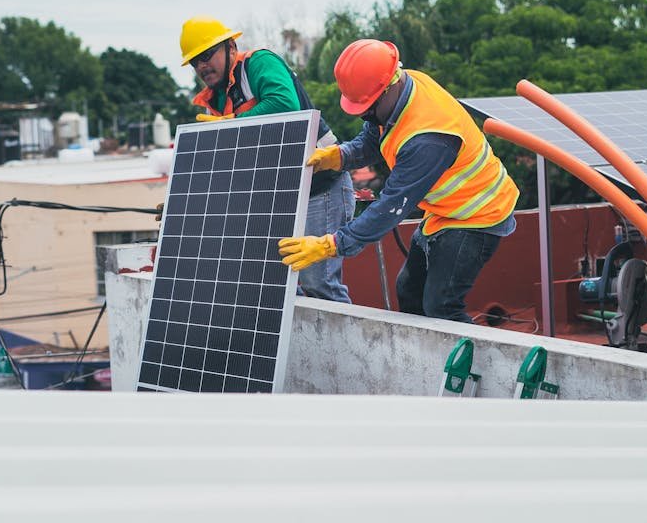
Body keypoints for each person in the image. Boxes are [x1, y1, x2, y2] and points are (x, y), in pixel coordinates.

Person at [278, 38, 518, 323]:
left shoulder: (428, 139)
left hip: (479, 216)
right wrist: (340, 156)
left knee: (441, 306)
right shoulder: (402, 87)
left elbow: (390, 206)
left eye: (367, 106)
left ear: (389, 87)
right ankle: (425, 361)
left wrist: (332, 244)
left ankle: (470, 364)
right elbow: (374, 135)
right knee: (409, 290)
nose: (365, 114)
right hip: (447, 211)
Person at [180, 17, 354, 303]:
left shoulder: (259, 64)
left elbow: (285, 104)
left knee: (318, 284)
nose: (201, 66)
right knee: (281, 286)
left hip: (320, 187)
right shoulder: (217, 100)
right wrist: (188, 199)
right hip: (279, 198)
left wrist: (232, 123)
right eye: (194, 62)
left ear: (231, 47)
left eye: (207, 55)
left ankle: (347, 349)